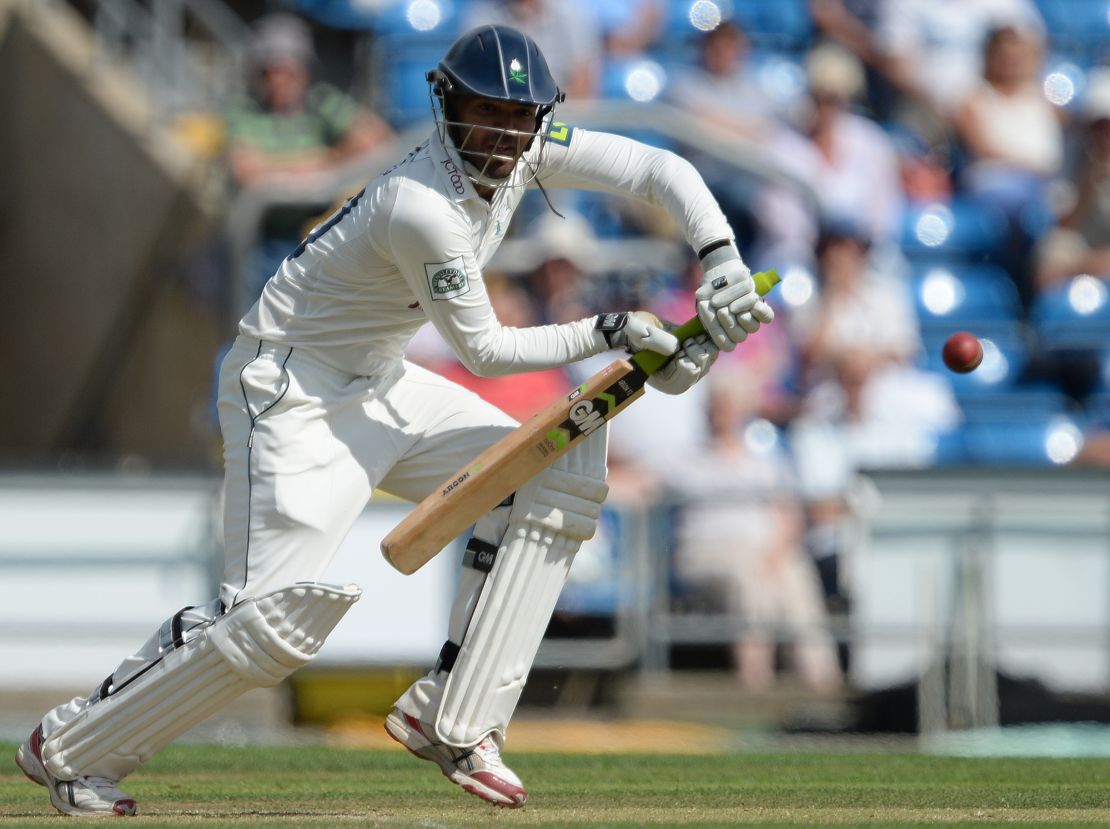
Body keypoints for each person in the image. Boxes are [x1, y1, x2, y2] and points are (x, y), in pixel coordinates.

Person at [14, 24, 774, 816]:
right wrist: (610, 331)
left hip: (380, 379)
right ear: (448, 107)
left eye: (520, 119)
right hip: (291, 390)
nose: (504, 138)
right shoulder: (422, 205)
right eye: (486, 116)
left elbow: (658, 166)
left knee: (558, 461)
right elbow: (483, 348)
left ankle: (456, 719)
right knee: (267, 629)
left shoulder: (530, 144)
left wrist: (718, 255)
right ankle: (68, 745)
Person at [224, 12, 394, 302]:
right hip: (261, 240)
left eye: (287, 69)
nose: (278, 80)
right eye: (268, 70)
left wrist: (326, 161)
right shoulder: (245, 112)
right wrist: (315, 162)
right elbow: (247, 170)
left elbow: (378, 140)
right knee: (251, 330)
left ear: (303, 69)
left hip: (316, 235)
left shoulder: (321, 102)